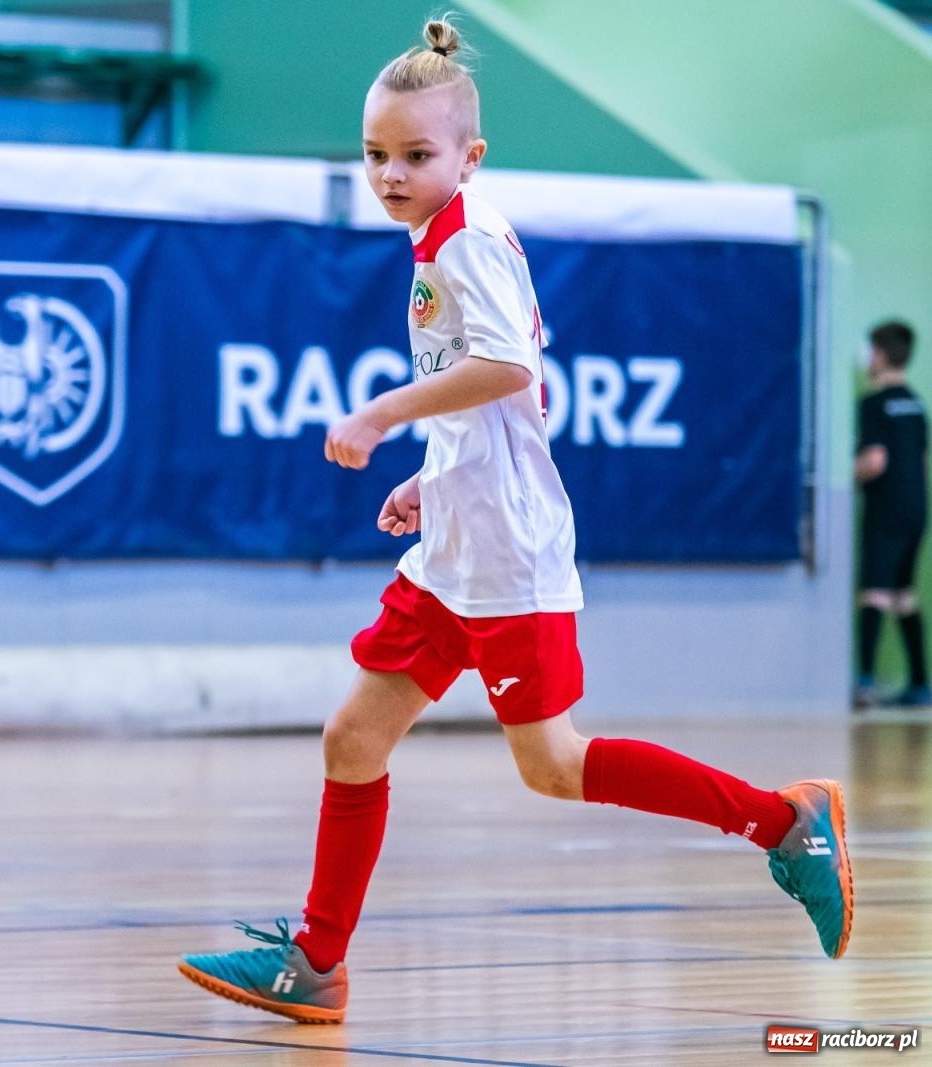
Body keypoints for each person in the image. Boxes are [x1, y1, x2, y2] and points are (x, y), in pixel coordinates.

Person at [175, 16, 853, 1025]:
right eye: (374, 155)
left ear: (468, 156)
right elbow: (486, 397)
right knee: (353, 738)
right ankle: (315, 962)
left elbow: (510, 368)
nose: (391, 173)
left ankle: (784, 822)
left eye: (414, 155)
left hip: (506, 554)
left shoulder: (463, 243)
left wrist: (379, 413)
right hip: (455, 539)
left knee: (554, 765)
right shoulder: (439, 237)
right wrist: (431, 473)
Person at [855, 321, 929, 708]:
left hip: (886, 510)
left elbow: (875, 461)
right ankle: (920, 683)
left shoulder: (873, 403)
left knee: (875, 593)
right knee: (904, 594)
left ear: (880, 354)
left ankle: (864, 682)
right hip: (917, 510)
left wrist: (851, 472)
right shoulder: (917, 404)